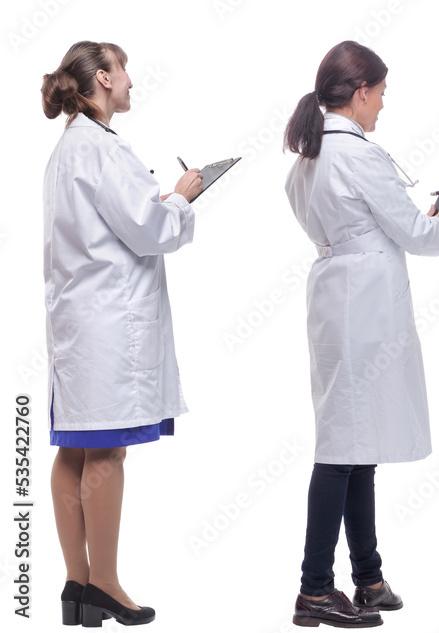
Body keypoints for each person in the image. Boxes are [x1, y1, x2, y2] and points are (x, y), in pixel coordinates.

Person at [283, 41, 439, 629]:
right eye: (381, 94)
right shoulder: (358, 155)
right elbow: (418, 235)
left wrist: (422, 217)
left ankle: (368, 576)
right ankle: (314, 588)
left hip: (337, 300)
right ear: (360, 92)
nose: (383, 106)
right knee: (341, 449)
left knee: (357, 445)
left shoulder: (308, 158)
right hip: (362, 308)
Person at [41, 41, 203, 627]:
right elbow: (149, 230)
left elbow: (116, 225)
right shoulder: (101, 149)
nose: (132, 80)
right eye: (124, 69)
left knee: (74, 447)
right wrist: (181, 200)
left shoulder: (69, 149)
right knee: (105, 446)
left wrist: (158, 206)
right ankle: (105, 584)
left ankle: (76, 585)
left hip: (79, 323)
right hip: (110, 324)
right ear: (103, 79)